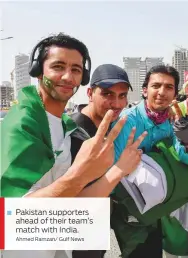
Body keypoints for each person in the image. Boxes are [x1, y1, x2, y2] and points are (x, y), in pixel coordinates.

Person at [0, 33, 144, 258]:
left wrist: (117, 170)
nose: (68, 76)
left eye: (76, 69)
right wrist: (79, 175)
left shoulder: (65, 125)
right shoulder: (22, 124)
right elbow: (13, 216)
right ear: (38, 70)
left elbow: (74, 204)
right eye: (58, 66)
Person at [111, 65, 188, 258]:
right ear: (145, 90)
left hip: (165, 204)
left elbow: (187, 158)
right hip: (133, 208)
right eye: (156, 85)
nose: (162, 92)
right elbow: (116, 170)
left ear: (175, 93)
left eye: (169, 87)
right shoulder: (128, 121)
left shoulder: (173, 120)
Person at [69, 64, 134, 258]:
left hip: (99, 222)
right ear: (90, 93)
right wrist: (120, 169)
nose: (116, 103)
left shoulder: (111, 128)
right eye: (107, 94)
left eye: (122, 96)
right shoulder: (73, 132)